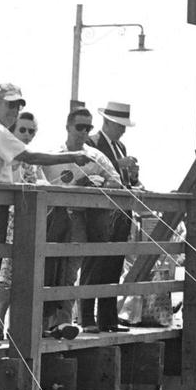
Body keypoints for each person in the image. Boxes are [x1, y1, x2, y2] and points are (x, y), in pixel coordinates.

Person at [0, 83, 91, 349]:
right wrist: (71, 156)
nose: (14, 110)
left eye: (18, 105)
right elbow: (30, 155)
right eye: (9, 104)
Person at [40, 107, 119, 337]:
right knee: (48, 269)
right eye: (79, 127)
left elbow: (116, 182)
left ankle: (63, 322)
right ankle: (43, 321)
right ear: (68, 126)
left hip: (79, 218)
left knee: (69, 271)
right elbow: (39, 180)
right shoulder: (52, 154)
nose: (84, 132)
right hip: (54, 217)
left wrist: (99, 184)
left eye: (88, 128)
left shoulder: (96, 156)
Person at [78, 100, 139, 334]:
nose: (123, 130)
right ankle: (86, 317)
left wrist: (132, 175)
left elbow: (125, 181)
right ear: (108, 122)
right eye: (120, 125)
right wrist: (116, 164)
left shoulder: (121, 147)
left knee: (113, 265)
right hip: (99, 213)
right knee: (94, 264)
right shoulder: (92, 143)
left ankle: (108, 319)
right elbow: (91, 171)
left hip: (121, 212)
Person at [0, 109, 41, 342]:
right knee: (5, 273)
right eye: (22, 130)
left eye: (31, 131)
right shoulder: (7, 155)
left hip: (27, 221)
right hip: (8, 218)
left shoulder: (30, 160)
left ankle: (18, 326)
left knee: (25, 273)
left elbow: (41, 181)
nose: (27, 135)